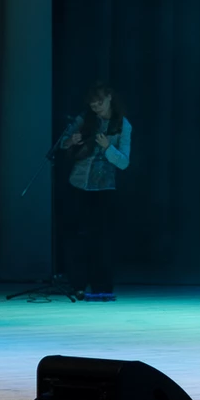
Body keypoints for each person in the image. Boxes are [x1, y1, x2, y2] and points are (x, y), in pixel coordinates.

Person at [56, 82, 131, 300]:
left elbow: (124, 162)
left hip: (104, 188)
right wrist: (70, 140)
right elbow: (61, 144)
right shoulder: (84, 119)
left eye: (99, 102)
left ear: (109, 98)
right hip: (78, 184)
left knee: (102, 239)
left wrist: (108, 147)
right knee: (75, 237)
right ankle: (77, 285)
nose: (95, 107)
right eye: (92, 104)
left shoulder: (123, 125)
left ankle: (102, 287)